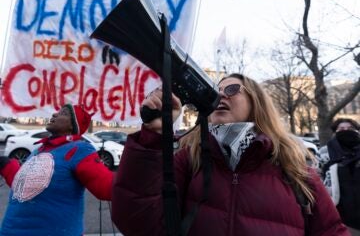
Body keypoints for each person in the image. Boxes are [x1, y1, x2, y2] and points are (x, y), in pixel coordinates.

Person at [112, 73, 348, 236]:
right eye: (215, 91)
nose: (221, 96)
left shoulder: (295, 169)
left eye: (232, 89)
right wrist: (154, 136)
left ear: (256, 104)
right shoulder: (189, 160)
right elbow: (137, 222)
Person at [0, 104, 114, 236]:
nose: (54, 114)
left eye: (63, 113)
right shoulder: (39, 150)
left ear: (73, 126)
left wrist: (137, 159)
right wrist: (6, 165)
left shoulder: (79, 149)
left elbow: (107, 188)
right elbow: (24, 187)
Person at [321, 118, 360, 236]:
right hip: (341, 213)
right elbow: (320, 180)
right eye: (341, 129)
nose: (346, 131)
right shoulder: (325, 152)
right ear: (335, 132)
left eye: (350, 129)